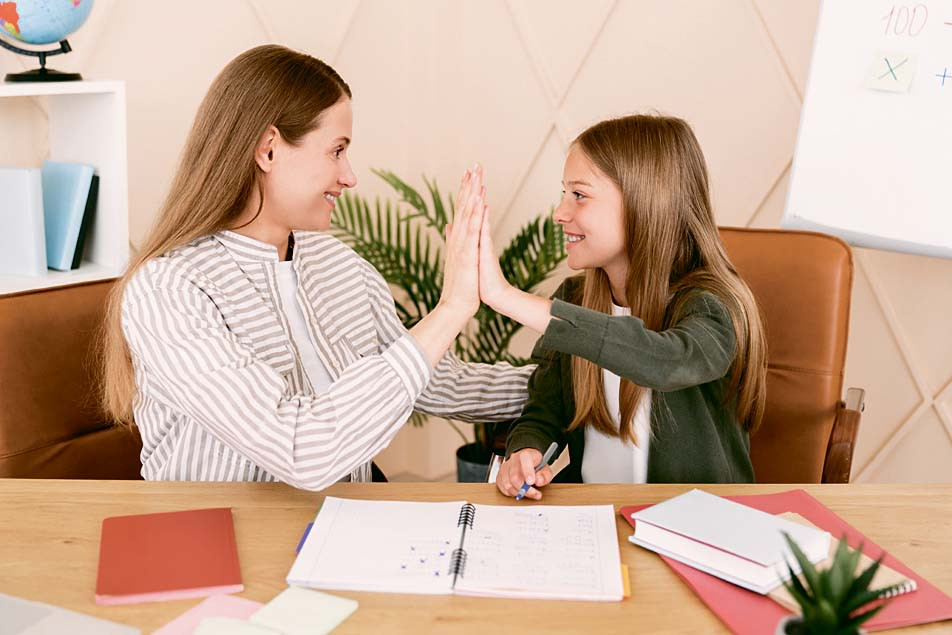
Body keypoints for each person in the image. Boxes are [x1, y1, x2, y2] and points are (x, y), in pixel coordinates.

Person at [99, 45, 532, 490]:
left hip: (344, 518)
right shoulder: (169, 290)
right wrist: (451, 309)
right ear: (268, 150)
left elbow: (433, 380)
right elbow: (301, 452)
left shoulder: (340, 264)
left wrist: (564, 384)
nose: (349, 176)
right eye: (336, 150)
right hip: (222, 529)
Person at [479, 114, 768, 499]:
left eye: (579, 195)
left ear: (642, 203)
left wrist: (505, 296)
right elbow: (544, 411)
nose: (560, 213)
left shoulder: (712, 305)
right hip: (601, 515)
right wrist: (526, 451)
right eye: (564, 193)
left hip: (695, 522)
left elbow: (663, 361)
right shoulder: (576, 298)